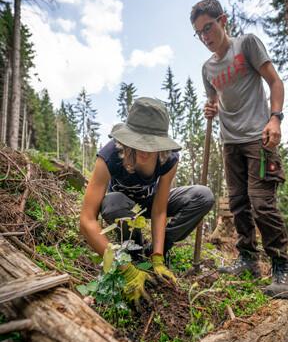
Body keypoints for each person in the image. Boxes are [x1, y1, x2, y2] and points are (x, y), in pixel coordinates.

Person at [190, 0, 288, 299]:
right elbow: (214, 101)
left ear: (223, 20)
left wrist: (275, 119)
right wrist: (211, 108)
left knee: (262, 202)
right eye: (199, 33)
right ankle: (248, 260)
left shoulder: (247, 45)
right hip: (230, 142)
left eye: (208, 28)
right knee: (238, 204)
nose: (205, 37)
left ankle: (282, 266)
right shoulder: (207, 69)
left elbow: (275, 82)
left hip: (259, 137)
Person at [80, 97, 214, 304]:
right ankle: (133, 251)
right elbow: (87, 220)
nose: (144, 151)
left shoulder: (168, 159)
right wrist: (122, 268)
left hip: (150, 202)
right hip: (121, 207)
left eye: (150, 144)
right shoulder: (109, 155)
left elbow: (159, 210)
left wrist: (158, 257)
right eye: (138, 142)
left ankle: (153, 250)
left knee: (203, 195)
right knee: (113, 202)